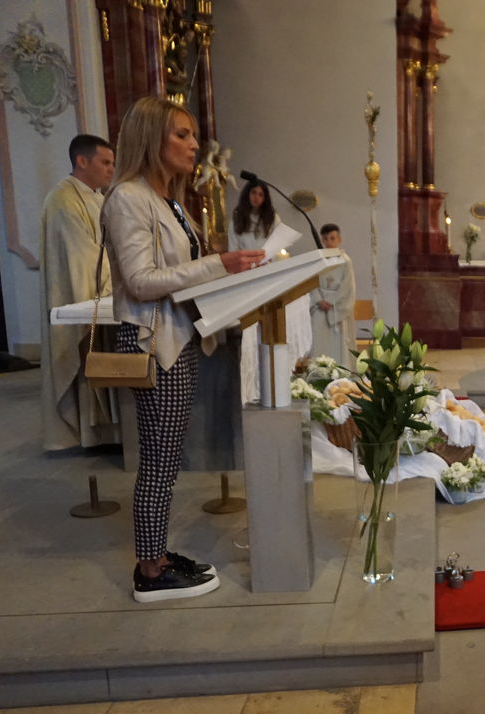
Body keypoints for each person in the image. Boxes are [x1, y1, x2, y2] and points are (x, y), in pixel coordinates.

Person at [102, 96, 263, 602]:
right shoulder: (128, 197)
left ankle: (158, 554)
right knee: (159, 458)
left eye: (193, 135)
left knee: (167, 456)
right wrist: (219, 265)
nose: (195, 145)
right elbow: (141, 281)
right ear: (151, 137)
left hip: (178, 337)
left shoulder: (167, 198)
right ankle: (150, 570)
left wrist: (225, 272)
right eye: (182, 134)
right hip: (153, 342)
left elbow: (181, 269)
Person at [40, 133, 120, 451]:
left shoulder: (97, 198)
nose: (111, 169)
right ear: (82, 161)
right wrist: (125, 272)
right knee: (86, 359)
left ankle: (109, 432)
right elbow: (82, 260)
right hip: (79, 293)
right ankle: (91, 435)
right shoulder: (62, 200)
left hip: (104, 290)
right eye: (105, 162)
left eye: (113, 163)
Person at [229, 180, 312, 403]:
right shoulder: (237, 218)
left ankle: (273, 378)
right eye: (253, 193)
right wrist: (246, 264)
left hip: (268, 272)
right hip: (246, 276)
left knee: (270, 325)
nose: (257, 197)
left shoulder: (272, 218)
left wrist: (269, 260)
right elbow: (233, 248)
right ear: (247, 195)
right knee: (251, 332)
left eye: (261, 194)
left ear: (265, 198)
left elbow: (279, 246)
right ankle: (252, 383)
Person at [310, 223, 357, 366]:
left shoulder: (345, 261)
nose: (329, 242)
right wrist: (319, 300)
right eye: (326, 239)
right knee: (320, 343)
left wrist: (331, 302)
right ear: (322, 240)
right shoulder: (318, 260)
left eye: (332, 238)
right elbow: (311, 283)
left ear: (339, 239)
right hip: (320, 309)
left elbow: (347, 287)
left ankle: (340, 372)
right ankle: (319, 372)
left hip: (337, 309)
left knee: (339, 347)